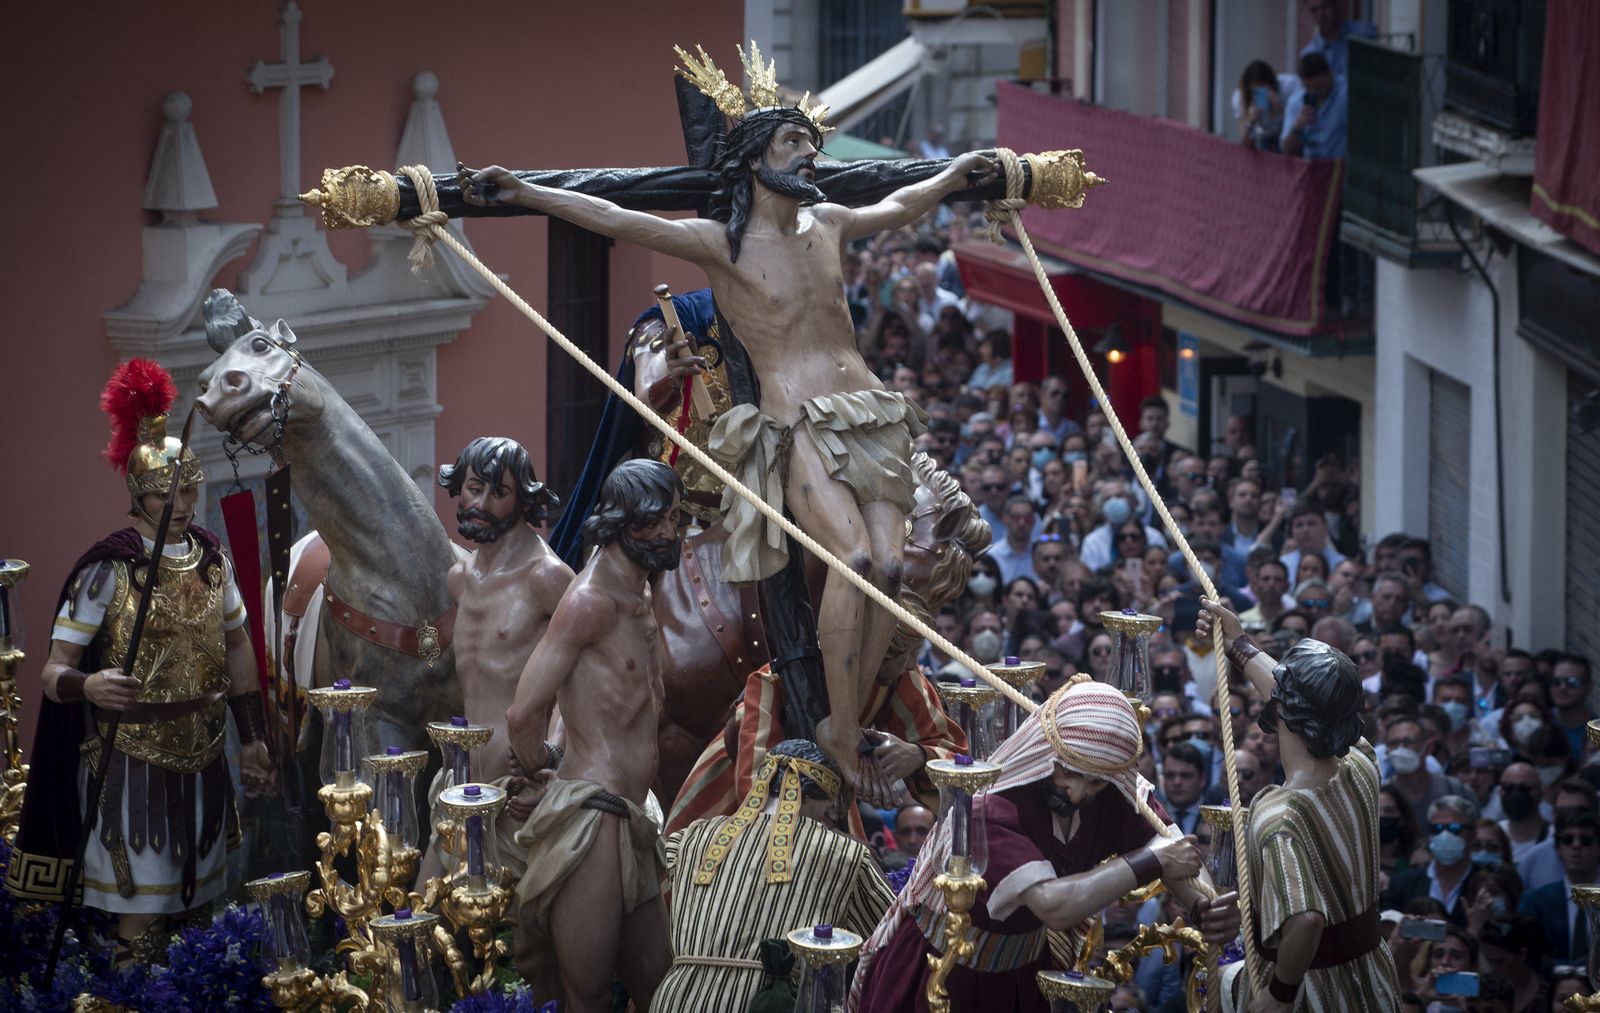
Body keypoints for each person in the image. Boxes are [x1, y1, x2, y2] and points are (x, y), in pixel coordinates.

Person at [469, 71, 1002, 780]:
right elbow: (618, 218)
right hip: (797, 419)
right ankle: (839, 730)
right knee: (857, 561)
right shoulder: (721, 244)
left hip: (872, 409)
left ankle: (847, 718)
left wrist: (957, 174)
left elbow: (903, 202)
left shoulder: (831, 223)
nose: (809, 155)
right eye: (792, 143)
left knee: (894, 568)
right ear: (754, 159)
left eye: (812, 144)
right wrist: (531, 194)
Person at [4, 359, 271, 960]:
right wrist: (89, 684)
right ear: (139, 493)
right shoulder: (109, 569)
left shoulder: (212, 560)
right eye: (163, 492)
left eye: (188, 490)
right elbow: (52, 673)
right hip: (132, 766)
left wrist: (251, 735)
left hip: (205, 752)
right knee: (141, 925)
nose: (180, 504)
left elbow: (237, 648)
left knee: (200, 916)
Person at [850, 676, 1240, 1013]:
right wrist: (1151, 861)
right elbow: (1055, 906)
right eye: (1068, 772)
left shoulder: (1108, 785)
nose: (1077, 792)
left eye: (1095, 782)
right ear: (1046, 750)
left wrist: (1202, 904)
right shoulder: (991, 805)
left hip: (1024, 971)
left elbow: (1172, 845)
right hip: (940, 971)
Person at [505, 459, 684, 1012]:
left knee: (662, 989)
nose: (672, 533)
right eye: (660, 521)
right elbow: (523, 711)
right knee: (587, 997)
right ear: (623, 523)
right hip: (593, 814)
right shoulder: (589, 602)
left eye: (677, 518)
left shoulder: (641, 592)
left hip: (635, 815)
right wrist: (548, 768)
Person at [1198, 598, 1401, 1011]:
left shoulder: (1279, 815)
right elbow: (1300, 696)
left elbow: (1306, 921)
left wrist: (1278, 995)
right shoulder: (1361, 761)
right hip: (1373, 979)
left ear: (1284, 708)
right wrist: (1240, 646)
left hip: (1316, 993)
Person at [420, 437, 571, 884]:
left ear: (523, 500)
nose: (481, 503)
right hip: (461, 786)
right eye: (473, 488)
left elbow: (579, 680)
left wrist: (552, 762)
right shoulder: (459, 580)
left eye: (498, 493)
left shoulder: (547, 578)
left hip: (522, 791)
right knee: (421, 920)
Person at [655, 739, 894, 1013]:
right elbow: (890, 937)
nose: (825, 819)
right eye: (826, 810)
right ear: (808, 798)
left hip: (675, 1000)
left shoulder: (688, 838)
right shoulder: (845, 854)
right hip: (764, 1003)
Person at [1519, 810, 1600, 962]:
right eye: (1568, 840)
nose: (1576, 845)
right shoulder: (1536, 903)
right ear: (1558, 849)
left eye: (1586, 840)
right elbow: (1527, 956)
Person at [1282, 51, 1349, 159]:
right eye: (1308, 88)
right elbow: (1286, 148)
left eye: (1319, 86)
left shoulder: (1345, 94)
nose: (1313, 92)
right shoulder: (1296, 102)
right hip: (1312, 168)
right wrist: (1297, 128)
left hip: (1340, 167)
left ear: (1330, 75)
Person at [1300, 0, 1379, 80]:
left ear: (1335, 5)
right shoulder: (1310, 54)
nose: (1321, 14)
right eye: (1314, 10)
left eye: (1325, 6)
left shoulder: (1362, 34)